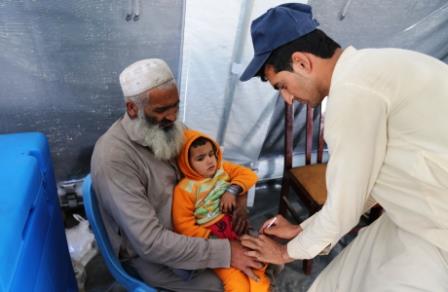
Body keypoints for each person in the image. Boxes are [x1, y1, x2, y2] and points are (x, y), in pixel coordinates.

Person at [238, 3, 448, 291]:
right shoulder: (372, 66)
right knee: (338, 281)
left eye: (282, 85)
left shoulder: (352, 92)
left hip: (435, 229)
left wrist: (284, 253)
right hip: (417, 216)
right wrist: (302, 229)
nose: (287, 99)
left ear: (301, 62)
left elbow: (343, 211)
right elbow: (363, 184)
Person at [90, 58, 263, 291]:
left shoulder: (171, 128)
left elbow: (215, 168)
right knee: (230, 284)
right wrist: (227, 251)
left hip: (202, 226)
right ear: (132, 109)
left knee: (262, 260)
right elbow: (149, 243)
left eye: (175, 107)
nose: (172, 117)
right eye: (161, 110)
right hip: (156, 255)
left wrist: (239, 198)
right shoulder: (113, 158)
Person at [172, 129, 270, 292]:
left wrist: (232, 191)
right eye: (200, 158)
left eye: (212, 154)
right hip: (214, 240)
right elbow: (182, 225)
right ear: (186, 163)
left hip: (236, 230)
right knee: (235, 282)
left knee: (257, 266)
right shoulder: (185, 189)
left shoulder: (222, 168)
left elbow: (248, 175)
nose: (210, 161)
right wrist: (212, 240)